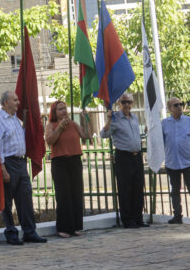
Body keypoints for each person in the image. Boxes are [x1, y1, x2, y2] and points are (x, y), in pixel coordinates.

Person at [0, 91, 47, 245]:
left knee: (25, 199)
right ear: (6, 103)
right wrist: (2, 168)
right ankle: (11, 233)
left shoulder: (15, 120)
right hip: (9, 163)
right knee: (7, 201)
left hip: (21, 163)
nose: (18, 102)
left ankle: (29, 232)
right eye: (15, 100)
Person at [44, 100, 89, 238]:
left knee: (76, 194)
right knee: (63, 196)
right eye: (60, 109)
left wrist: (86, 120)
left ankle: (75, 227)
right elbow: (50, 141)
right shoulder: (51, 125)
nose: (64, 111)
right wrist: (60, 127)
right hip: (60, 162)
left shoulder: (73, 124)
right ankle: (62, 228)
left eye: (65, 108)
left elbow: (86, 136)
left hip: (75, 160)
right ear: (54, 113)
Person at [100, 92, 145, 228]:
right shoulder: (115, 118)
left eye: (129, 102)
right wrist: (108, 120)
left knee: (138, 189)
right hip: (123, 157)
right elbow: (104, 134)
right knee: (126, 190)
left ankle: (138, 218)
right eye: (123, 102)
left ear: (132, 104)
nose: (126, 105)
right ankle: (128, 220)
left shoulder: (135, 117)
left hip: (136, 156)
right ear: (119, 104)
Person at [161, 97, 190, 226]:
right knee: (175, 191)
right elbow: (159, 140)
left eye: (181, 104)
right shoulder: (164, 123)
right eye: (176, 105)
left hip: (188, 162)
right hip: (172, 162)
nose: (179, 106)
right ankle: (177, 216)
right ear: (169, 108)